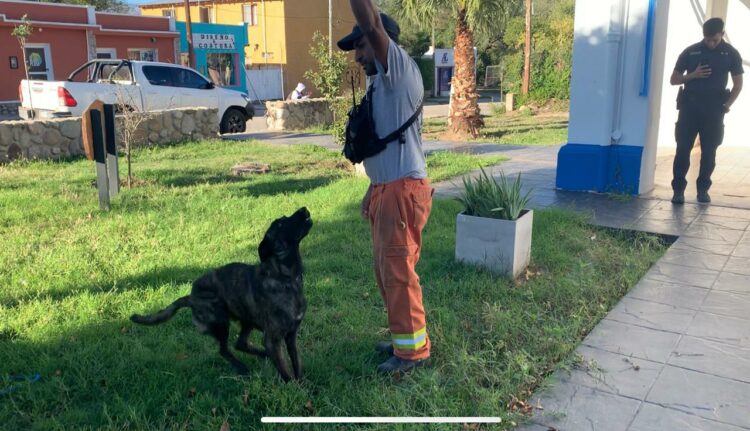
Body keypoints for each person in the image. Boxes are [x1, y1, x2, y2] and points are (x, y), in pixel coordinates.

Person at [338, 0, 433, 375]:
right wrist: (372, 188)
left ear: (381, 43)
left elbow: (371, 23)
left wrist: (366, 21)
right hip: (387, 187)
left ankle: (413, 354)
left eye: (360, 46)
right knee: (387, 271)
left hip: (402, 189)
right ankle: (403, 338)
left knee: (398, 272)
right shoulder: (381, 83)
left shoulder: (397, 69)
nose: (358, 55)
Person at [670, 17, 743, 204]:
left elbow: (738, 84)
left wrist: (727, 106)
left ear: (722, 34)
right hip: (689, 108)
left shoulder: (731, 53)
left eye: (715, 40)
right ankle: (678, 190)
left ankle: (703, 189)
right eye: (707, 39)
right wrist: (693, 75)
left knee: (709, 152)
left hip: (714, 110)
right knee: (683, 149)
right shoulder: (691, 51)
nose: (710, 43)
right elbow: (674, 79)